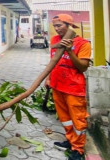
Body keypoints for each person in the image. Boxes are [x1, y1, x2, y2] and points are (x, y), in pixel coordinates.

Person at [46, 14, 91, 160]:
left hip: (74, 89)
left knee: (78, 119)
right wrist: (48, 78)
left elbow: (83, 67)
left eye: (59, 25)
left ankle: (78, 149)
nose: (56, 29)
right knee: (65, 118)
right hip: (57, 86)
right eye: (55, 26)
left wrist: (70, 50)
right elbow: (53, 61)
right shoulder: (55, 41)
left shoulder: (83, 44)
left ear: (69, 26)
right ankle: (70, 140)